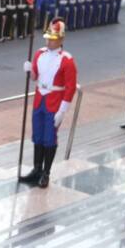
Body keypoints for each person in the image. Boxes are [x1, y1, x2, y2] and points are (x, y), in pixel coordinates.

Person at [20, 18, 78, 189]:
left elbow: (70, 87)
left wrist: (63, 109)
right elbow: (35, 77)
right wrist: (29, 70)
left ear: (61, 39)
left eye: (52, 38)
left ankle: (46, 172)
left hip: (55, 101)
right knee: (37, 136)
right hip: (40, 99)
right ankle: (37, 169)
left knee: (49, 138)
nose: (49, 41)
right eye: (48, 37)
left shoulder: (67, 60)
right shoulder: (39, 53)